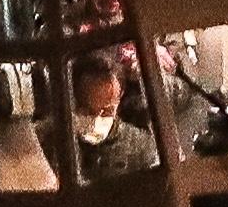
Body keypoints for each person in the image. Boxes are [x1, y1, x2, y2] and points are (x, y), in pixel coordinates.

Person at [69, 49, 161, 182]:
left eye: (107, 111)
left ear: (120, 96)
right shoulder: (59, 145)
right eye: (88, 112)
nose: (97, 119)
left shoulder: (141, 149)